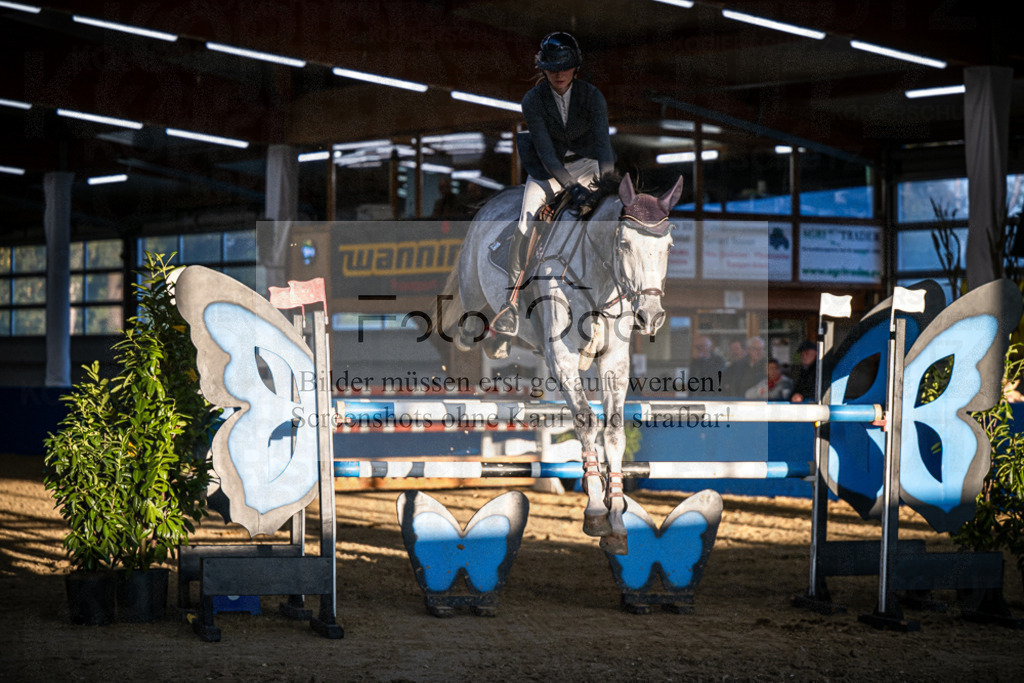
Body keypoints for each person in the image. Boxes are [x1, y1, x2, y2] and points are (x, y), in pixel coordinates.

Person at [492, 32, 616, 337]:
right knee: (526, 222)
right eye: (552, 69)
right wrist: (570, 186)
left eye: (565, 68)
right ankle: (510, 304)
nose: (559, 74)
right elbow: (547, 153)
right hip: (548, 170)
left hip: (587, 164)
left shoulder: (592, 96)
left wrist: (608, 184)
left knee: (612, 215)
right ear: (543, 69)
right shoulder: (533, 100)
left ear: (575, 68)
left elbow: (604, 145)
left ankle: (619, 290)